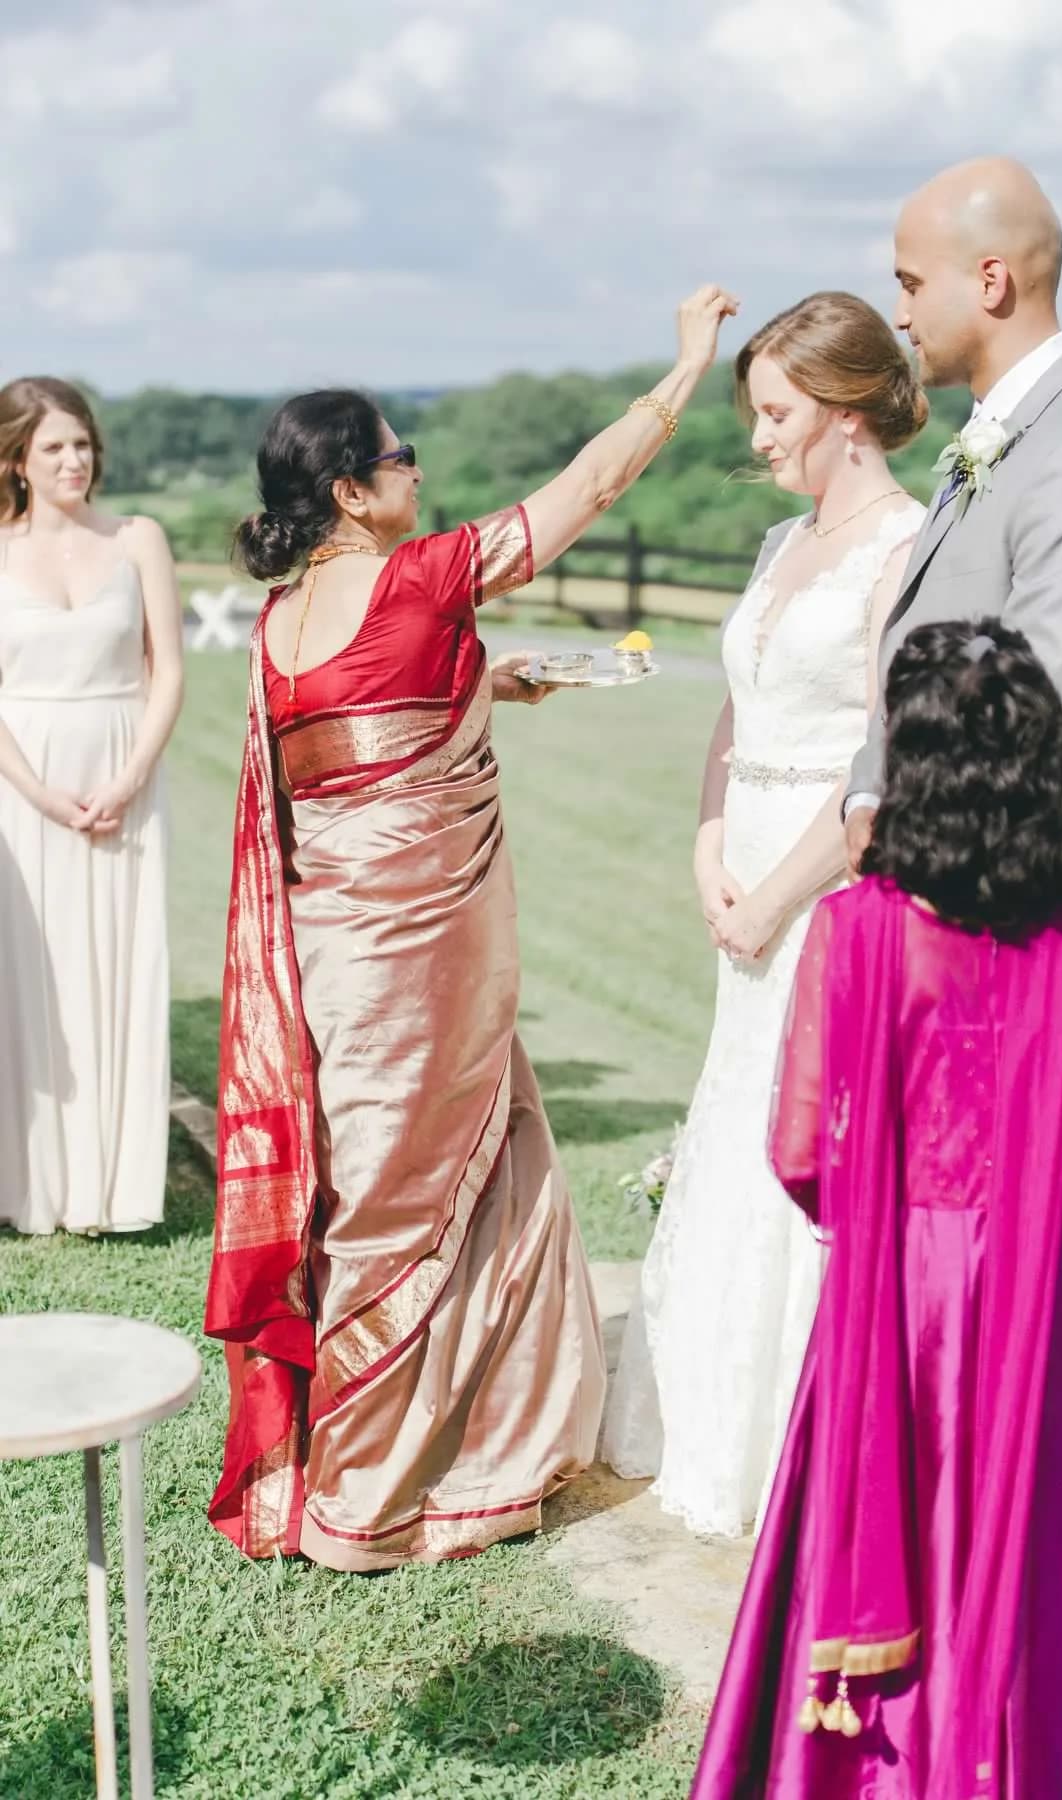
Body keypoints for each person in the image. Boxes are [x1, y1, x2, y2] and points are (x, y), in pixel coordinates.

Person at [205, 286, 740, 1569]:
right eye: (401, 456)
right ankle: (367, 1496)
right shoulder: (425, 575)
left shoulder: (278, 627)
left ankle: (438, 1444)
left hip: (331, 957)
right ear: (350, 493)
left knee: (371, 1179)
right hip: (423, 955)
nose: (418, 470)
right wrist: (685, 368)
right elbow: (591, 486)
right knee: (405, 1194)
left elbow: (348, 738)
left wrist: (483, 680)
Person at [692, 621, 1062, 1800]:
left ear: (909, 765)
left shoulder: (856, 927)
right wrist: (1029, 1165)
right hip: (1047, 1272)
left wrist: (903, 1196)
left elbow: (800, 1151)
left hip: (897, 1287)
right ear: (1040, 758)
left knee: (893, 1505)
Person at [603, 293, 927, 1537]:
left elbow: (887, 763)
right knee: (738, 1120)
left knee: (809, 1132)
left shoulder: (905, 549)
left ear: (847, 414)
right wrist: (705, 848)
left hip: (827, 891)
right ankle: (711, 1415)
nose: (759, 438)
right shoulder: (780, 542)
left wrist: (778, 898)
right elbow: (736, 711)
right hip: (741, 876)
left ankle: (805, 1431)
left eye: (778, 413)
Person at [846, 157, 1062, 988]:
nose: (899, 314)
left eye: (912, 284)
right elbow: (921, 647)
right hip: (952, 895)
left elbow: (1039, 714)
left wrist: (909, 831)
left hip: (1044, 916)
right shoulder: (1002, 433)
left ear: (990, 282)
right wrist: (868, 793)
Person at [0, 377, 181, 1235]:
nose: (73, 461)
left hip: (122, 771)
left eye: (82, 444)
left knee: (118, 967)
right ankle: (28, 1183)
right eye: (53, 448)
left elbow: (167, 671)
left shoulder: (138, 538)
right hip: (22, 783)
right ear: (16, 460)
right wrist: (36, 790)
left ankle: (113, 1190)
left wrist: (130, 775)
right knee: (27, 975)